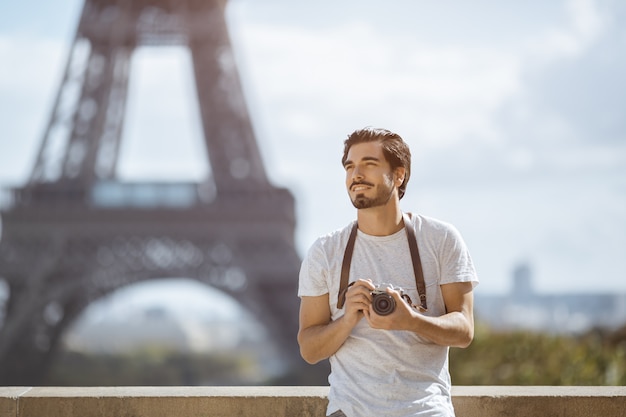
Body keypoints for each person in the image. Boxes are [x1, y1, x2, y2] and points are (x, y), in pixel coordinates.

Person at [297, 127, 478, 417]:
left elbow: (464, 331)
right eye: (350, 166)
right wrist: (347, 320)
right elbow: (309, 349)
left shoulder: (440, 239)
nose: (356, 174)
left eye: (369, 164)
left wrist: (411, 320)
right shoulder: (325, 252)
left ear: (398, 175)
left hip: (425, 411)